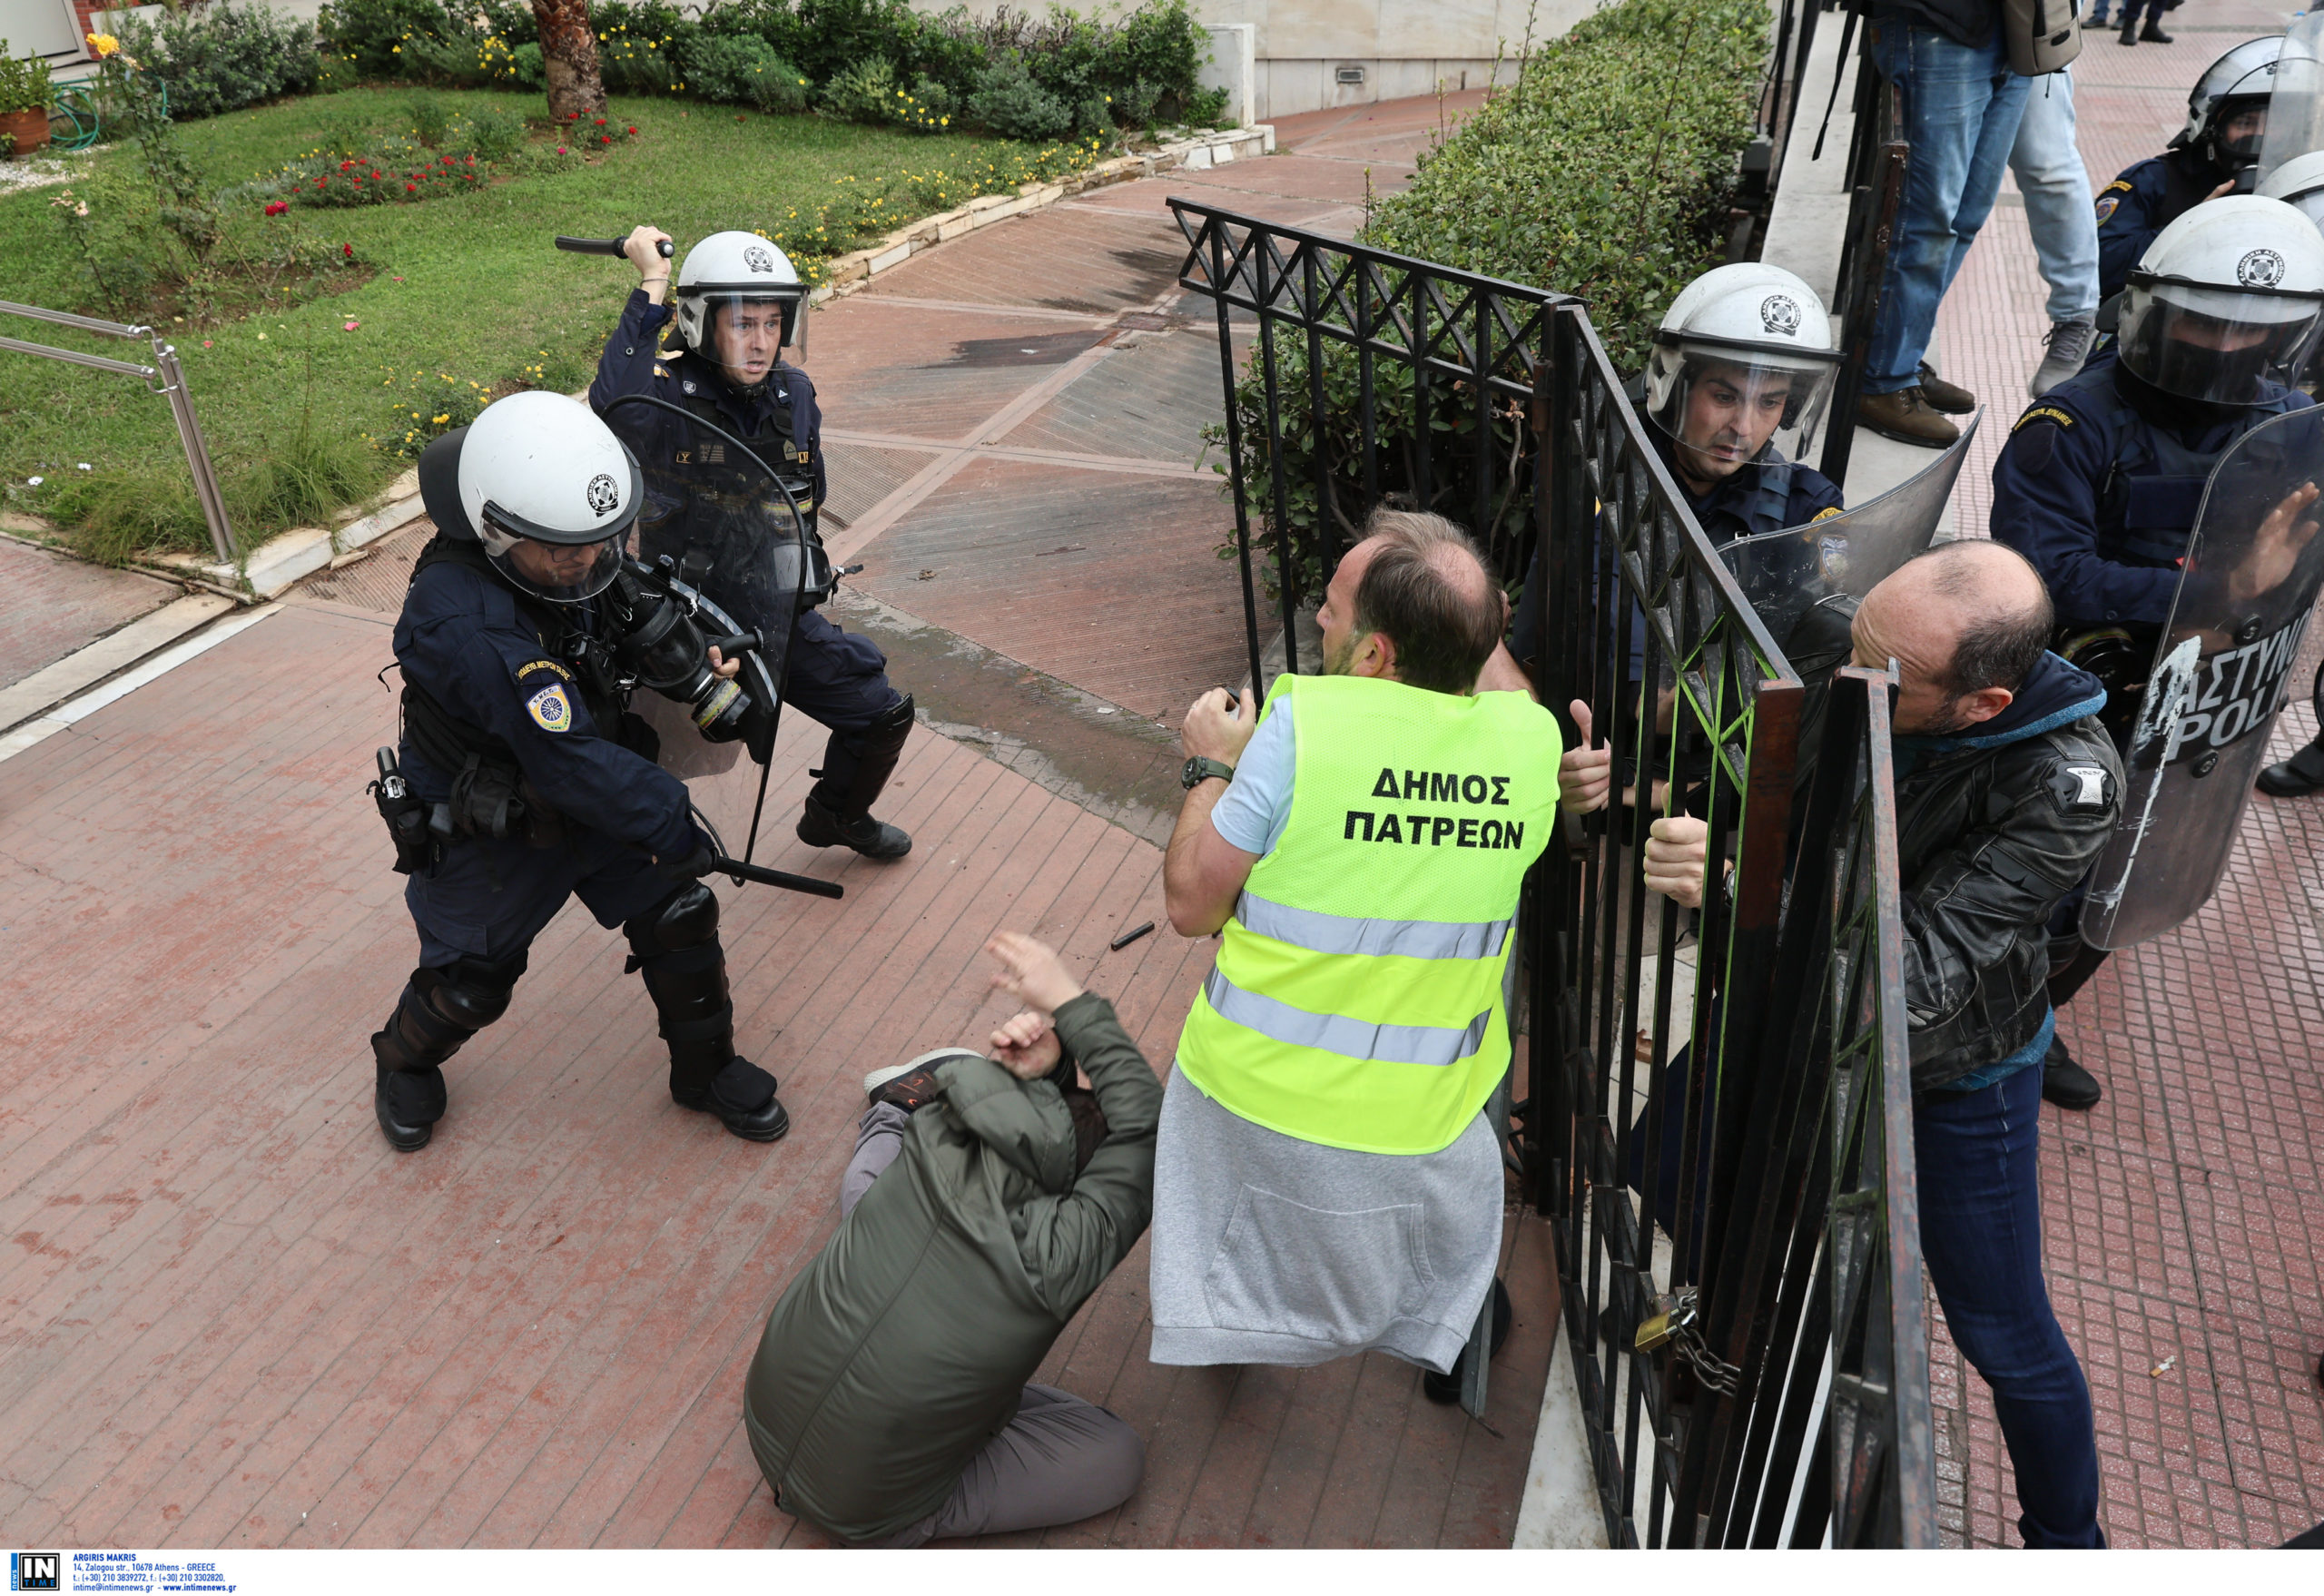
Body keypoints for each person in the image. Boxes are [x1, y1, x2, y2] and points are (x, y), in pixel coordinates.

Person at [1635, 540, 2120, 1550]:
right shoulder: (1860, 643)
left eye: (1881, 675)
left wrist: (1736, 885)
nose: (1845, 672)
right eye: (1857, 644)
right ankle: (1712, 1367)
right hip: (1789, 1003)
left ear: (1980, 703)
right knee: (1679, 1173)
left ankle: (2068, 1545)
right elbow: (1753, 767)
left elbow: (1911, 986)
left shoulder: (2065, 782)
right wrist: (1640, 790)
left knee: (2001, 1329)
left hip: (1955, 1075)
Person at [1151, 508, 1563, 1398]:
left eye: (1334, 611)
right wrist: (1459, 599)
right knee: (1449, 1193)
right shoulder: (1529, 745)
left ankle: (1228, 1316)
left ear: (1376, 655)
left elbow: (1190, 905)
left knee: (1207, 1132)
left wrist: (1210, 764)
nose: (1320, 623)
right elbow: (1509, 691)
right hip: (1428, 1116)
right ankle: (1446, 1326)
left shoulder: (1302, 733)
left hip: (1248, 1093)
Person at [367, 392, 789, 1152]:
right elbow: (561, 757)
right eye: (563, 547)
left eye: (599, 538)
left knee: (678, 912)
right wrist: (670, 817)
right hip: (489, 813)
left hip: (592, 781)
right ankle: (401, 1060)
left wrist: (697, 654)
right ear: (494, 528)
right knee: (471, 983)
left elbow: (622, 604)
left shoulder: (565, 545)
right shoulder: (461, 622)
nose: (587, 558)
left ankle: (704, 1070)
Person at [1991, 196, 2324, 1096]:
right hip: (2073, 698)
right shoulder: (2070, 427)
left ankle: (2036, 1015)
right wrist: (2214, 592)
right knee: (2038, 879)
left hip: (2202, 702)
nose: (2225, 351)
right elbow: (2043, 577)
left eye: (2250, 333)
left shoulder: (2290, 428)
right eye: (2205, 325)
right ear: (2155, 313)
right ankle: (2003, 1027)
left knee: (2125, 881)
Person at [741, 931, 1161, 1547]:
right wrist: (1072, 1003)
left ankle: (889, 1109)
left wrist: (1046, 1061)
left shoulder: (939, 1128)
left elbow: (1005, 1106)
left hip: (767, 1411)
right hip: (863, 1506)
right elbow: (1147, 1125)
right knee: (1115, 1453)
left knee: (872, 1204)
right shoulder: (1063, 1257)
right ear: (1082, 1191)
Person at [589, 224, 916, 862]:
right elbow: (616, 407)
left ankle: (837, 816)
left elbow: (805, 497)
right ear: (700, 322)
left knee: (880, 712)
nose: (761, 341)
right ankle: (650, 864)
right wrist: (651, 285)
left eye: (773, 323)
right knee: (655, 759)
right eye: (743, 324)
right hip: (687, 622)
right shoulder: (666, 396)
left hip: (775, 616)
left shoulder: (793, 395)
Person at [1506, 261, 1846, 688]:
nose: (1743, 427)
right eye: (1724, 397)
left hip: (1718, 740)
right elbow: (1600, 617)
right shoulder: (1597, 465)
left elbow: (1824, 640)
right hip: (1587, 723)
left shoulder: (1805, 501)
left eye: (1770, 403)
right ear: (1676, 385)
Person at [1855, 0, 2031, 448]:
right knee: (1927, 217)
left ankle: (1903, 359)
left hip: (2019, 29)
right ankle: (1881, 380)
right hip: (1938, 25)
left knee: (1967, 213)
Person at [2094, 36, 2281, 304]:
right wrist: (2191, 225)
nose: (2261, 137)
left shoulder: (2303, 187)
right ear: (2208, 129)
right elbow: (2099, 268)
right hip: (2153, 328)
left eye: (2276, 124)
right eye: (2245, 123)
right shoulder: (2154, 181)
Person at [2012, 70, 2102, 396]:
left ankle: (2077, 315)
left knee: (2047, 164)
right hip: (1939, 25)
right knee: (1952, 182)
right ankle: (1905, 346)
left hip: (2029, 25)